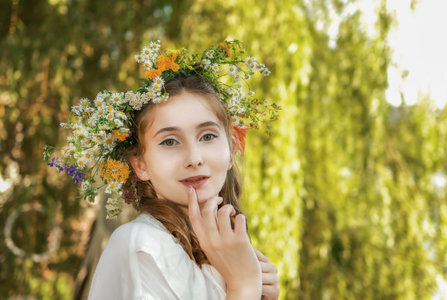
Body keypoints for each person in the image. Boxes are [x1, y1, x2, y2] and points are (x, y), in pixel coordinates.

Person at [45, 40, 280, 299]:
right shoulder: (141, 246)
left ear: (232, 149)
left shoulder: (232, 254)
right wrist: (244, 286)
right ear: (140, 165)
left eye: (208, 136)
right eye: (170, 141)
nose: (194, 158)